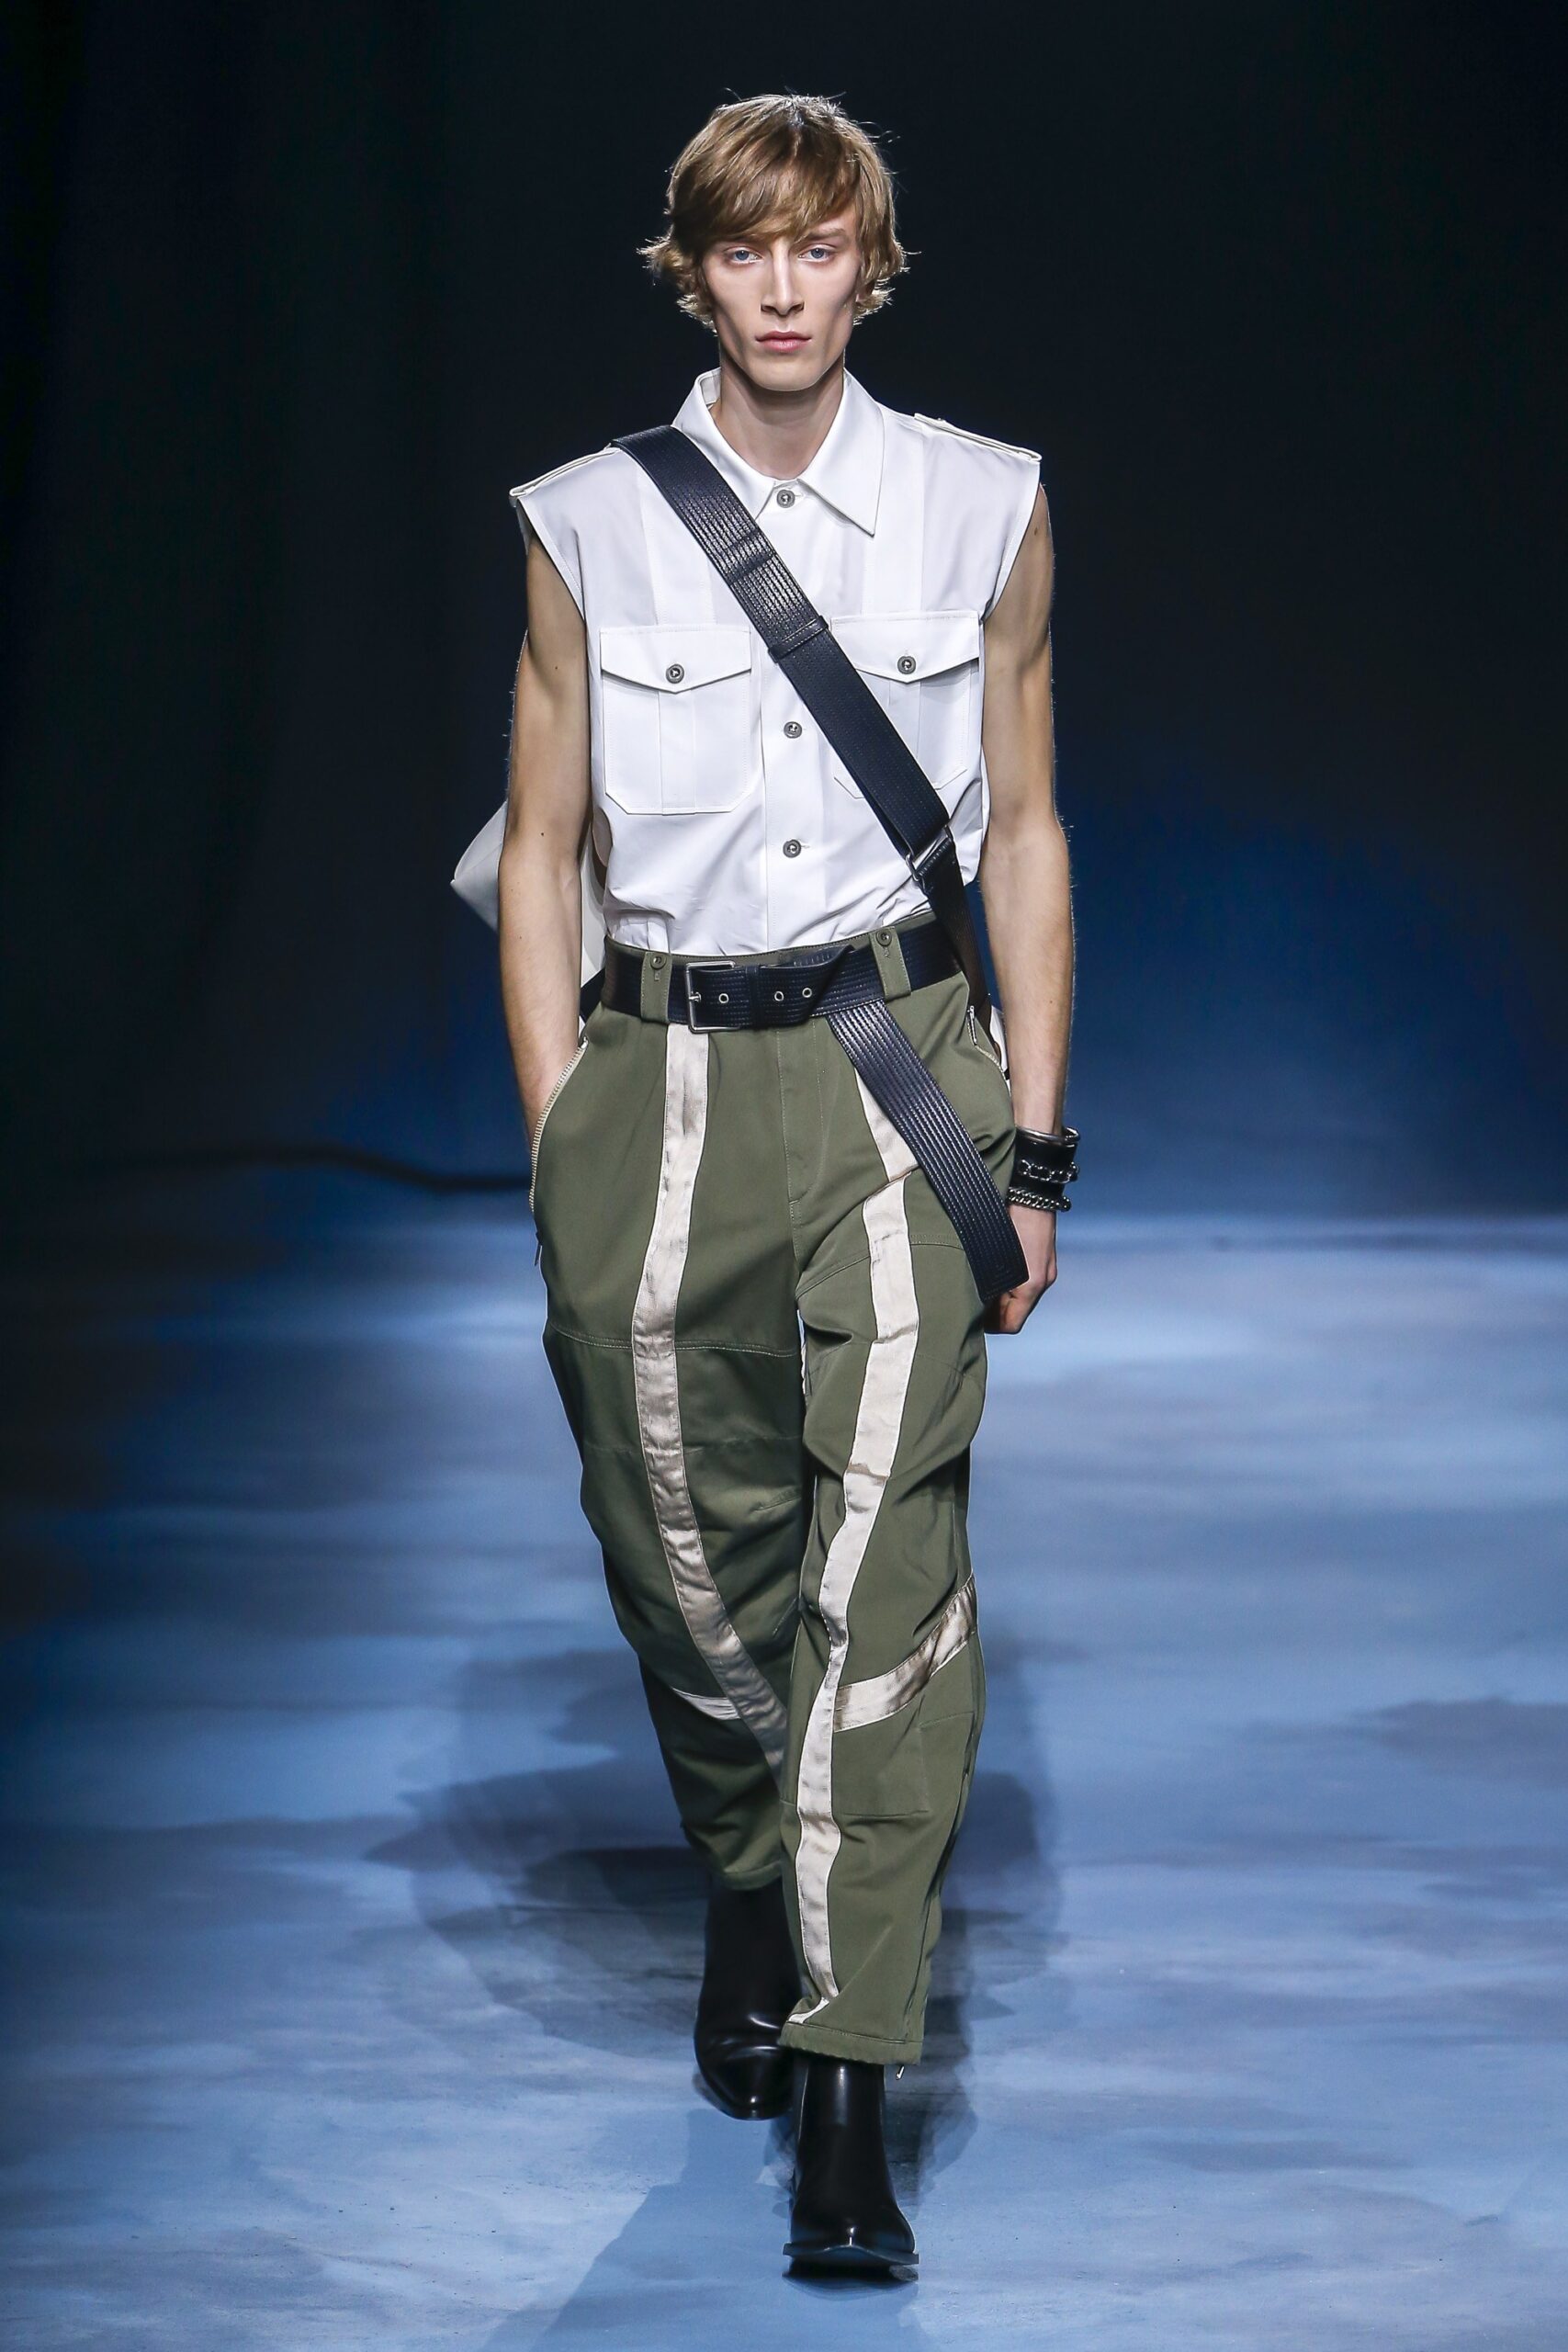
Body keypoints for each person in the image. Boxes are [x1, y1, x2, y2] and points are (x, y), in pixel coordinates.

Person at [495, 92, 1074, 2278]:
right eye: (743, 249)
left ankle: (850, 2083)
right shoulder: (582, 523)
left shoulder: (985, 503)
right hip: (652, 1079)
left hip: (895, 1070)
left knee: (885, 1571)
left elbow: (1025, 827)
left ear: (868, 265)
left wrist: (1035, 1142)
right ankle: (755, 1859)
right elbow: (538, 845)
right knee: (681, 1547)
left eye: (817, 247)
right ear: (694, 270)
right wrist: (559, 1120)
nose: (780, 287)